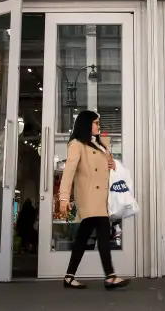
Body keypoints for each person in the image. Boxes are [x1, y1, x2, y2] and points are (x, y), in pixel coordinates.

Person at [58, 110, 129, 290]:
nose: (99, 126)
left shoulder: (100, 145)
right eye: (96, 123)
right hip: (89, 196)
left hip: (101, 196)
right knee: (103, 232)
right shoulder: (77, 145)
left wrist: (112, 165)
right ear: (86, 124)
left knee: (83, 236)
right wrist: (64, 198)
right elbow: (69, 173)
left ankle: (69, 276)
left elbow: (107, 169)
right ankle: (110, 276)